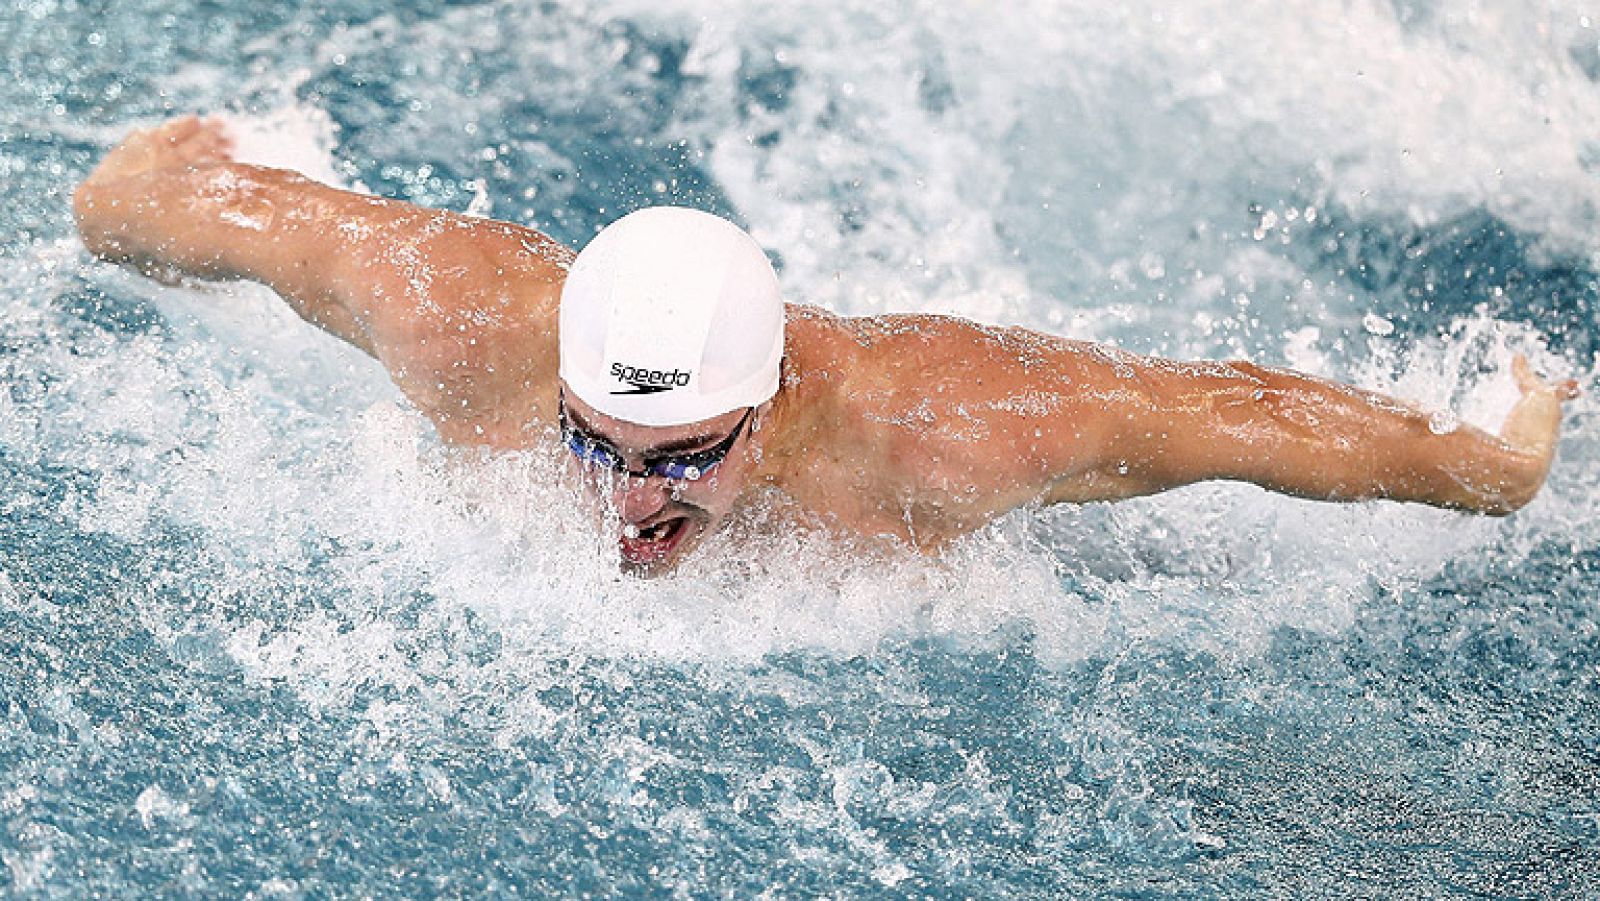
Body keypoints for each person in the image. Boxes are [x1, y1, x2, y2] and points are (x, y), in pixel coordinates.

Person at [73, 117, 1579, 574]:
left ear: (770, 406)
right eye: (590, 439)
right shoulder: (466, 325)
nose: (620, 499)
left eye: (676, 461)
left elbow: (1232, 413)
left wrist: (1491, 463)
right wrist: (141, 186)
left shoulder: (949, 435)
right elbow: (184, 202)